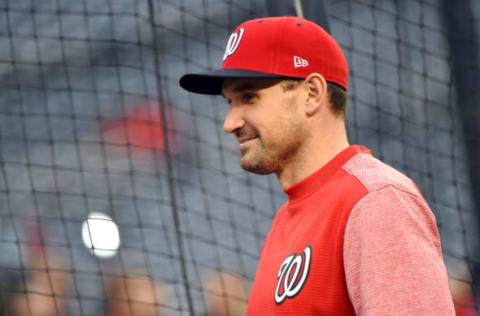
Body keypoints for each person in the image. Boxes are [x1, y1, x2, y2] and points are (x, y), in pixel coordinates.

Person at [179, 16, 455, 315]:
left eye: (249, 97)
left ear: (311, 93)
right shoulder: (286, 219)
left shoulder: (374, 201)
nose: (229, 123)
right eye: (229, 102)